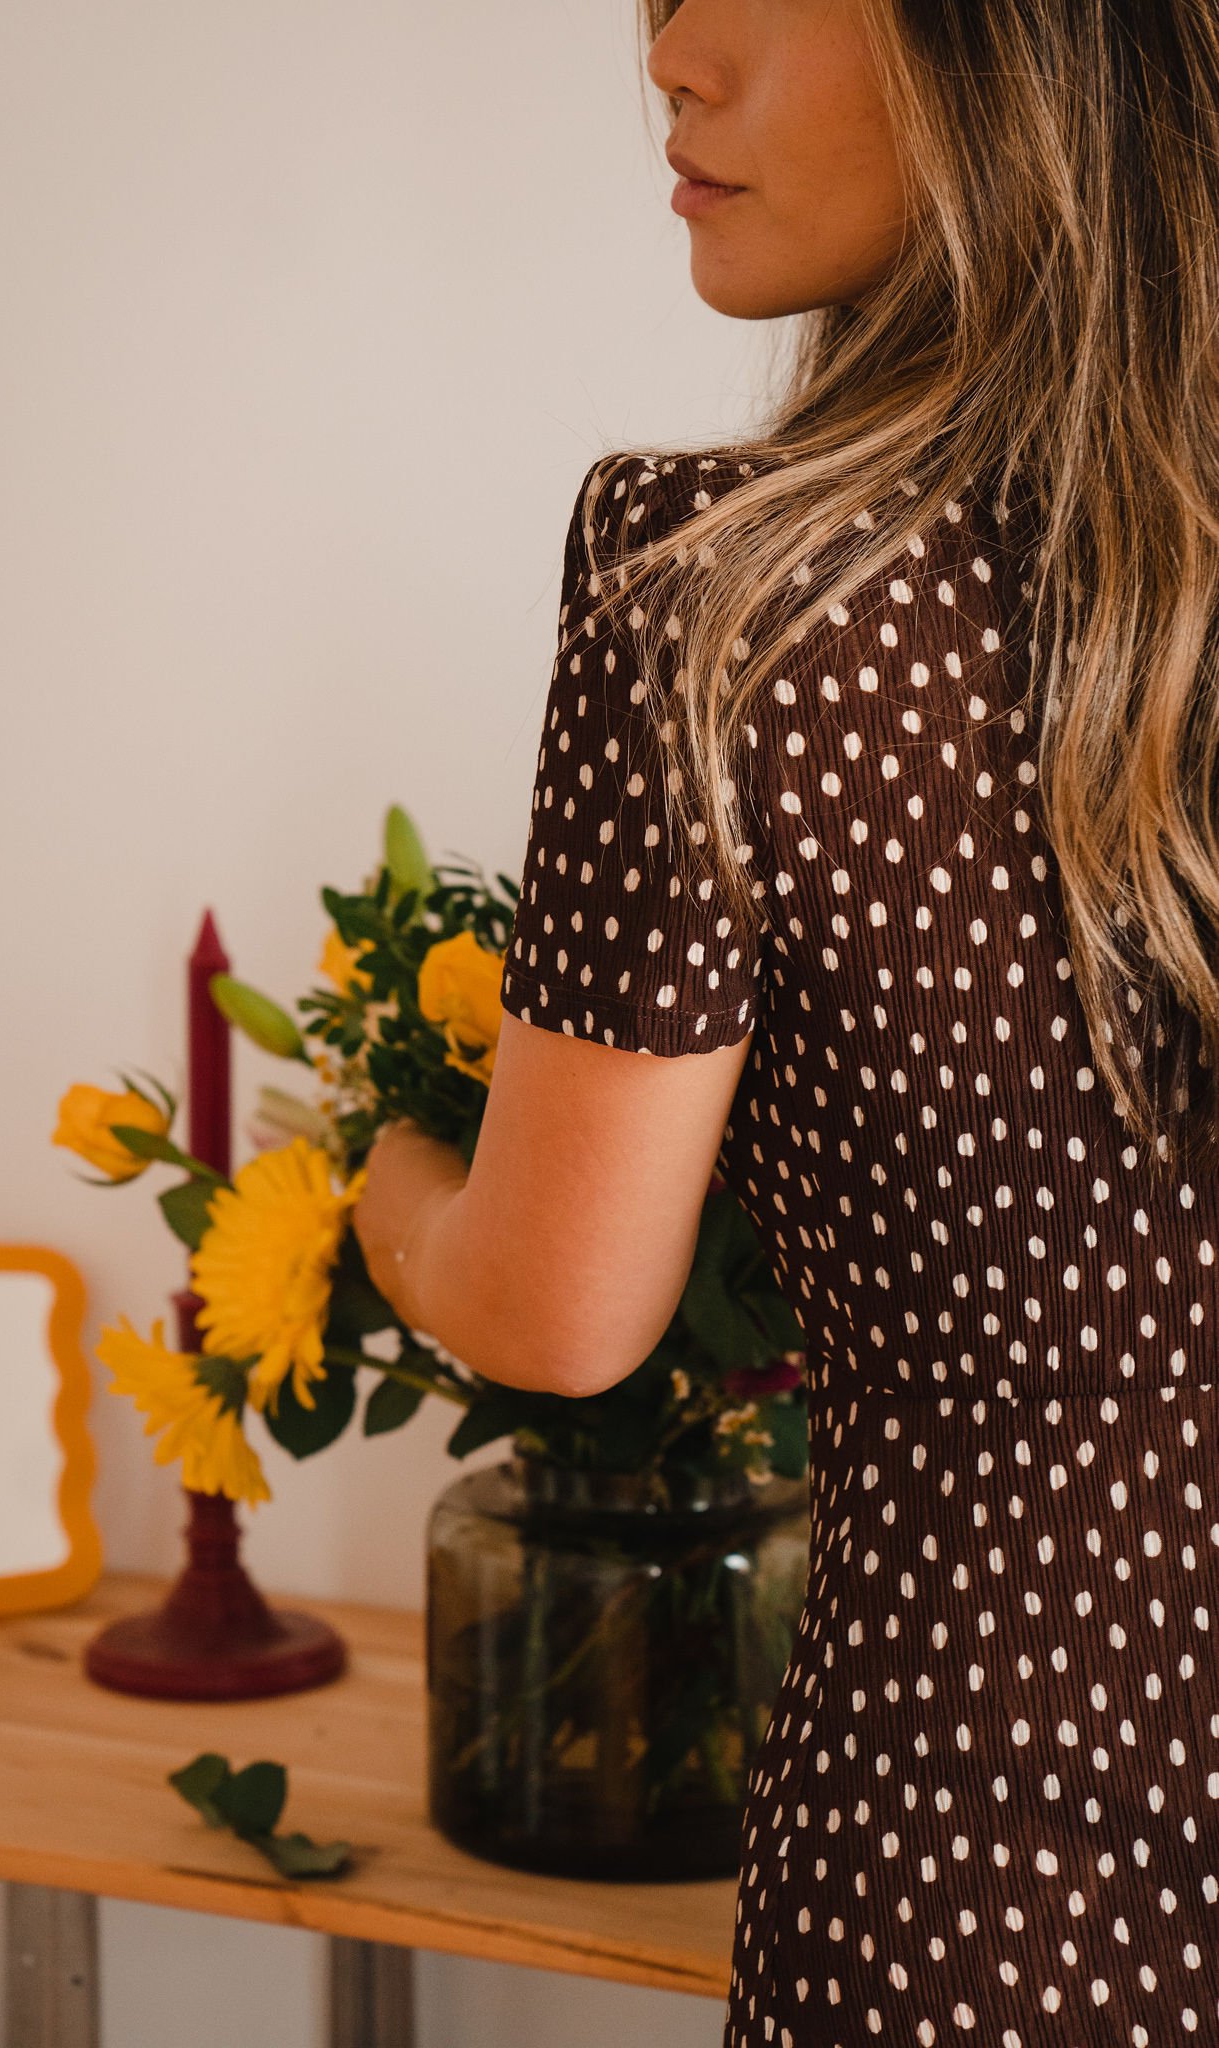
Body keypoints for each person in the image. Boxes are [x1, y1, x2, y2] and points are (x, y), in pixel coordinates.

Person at [351, 0, 1219, 2039]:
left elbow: (555, 1309)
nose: (666, 56)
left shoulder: (729, 600)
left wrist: (391, 1188)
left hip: (982, 1868)